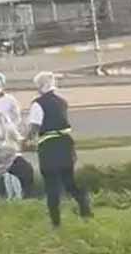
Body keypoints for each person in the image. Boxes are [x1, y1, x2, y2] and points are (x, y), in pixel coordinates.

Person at [27, 71, 91, 228]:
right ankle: (85, 209)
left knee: (51, 184)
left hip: (49, 147)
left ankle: (56, 222)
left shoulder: (38, 104)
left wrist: (26, 139)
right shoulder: (62, 102)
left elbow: (34, 127)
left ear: (40, 86)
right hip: (66, 144)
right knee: (69, 181)